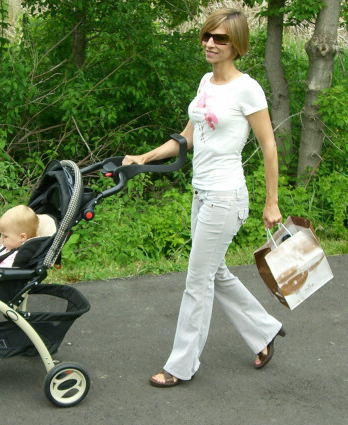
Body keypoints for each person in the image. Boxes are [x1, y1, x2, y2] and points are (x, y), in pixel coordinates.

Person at [122, 8, 285, 387]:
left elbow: (269, 145)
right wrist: (142, 158)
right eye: (207, 36)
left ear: (237, 44)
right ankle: (263, 331)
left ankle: (180, 366)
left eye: (221, 38)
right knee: (215, 272)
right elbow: (187, 138)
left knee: (197, 281)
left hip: (225, 196)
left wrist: (272, 201)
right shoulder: (205, 82)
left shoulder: (247, 89)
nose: (211, 43)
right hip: (201, 193)